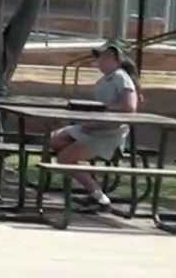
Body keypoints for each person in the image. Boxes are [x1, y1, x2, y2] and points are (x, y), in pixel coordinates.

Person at [48, 40, 139, 210]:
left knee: (64, 159)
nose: (98, 61)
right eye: (97, 56)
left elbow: (130, 107)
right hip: (93, 128)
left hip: (108, 134)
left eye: (102, 57)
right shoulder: (107, 79)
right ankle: (89, 180)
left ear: (114, 57)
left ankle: (100, 199)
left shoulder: (120, 77)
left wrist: (101, 109)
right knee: (54, 140)